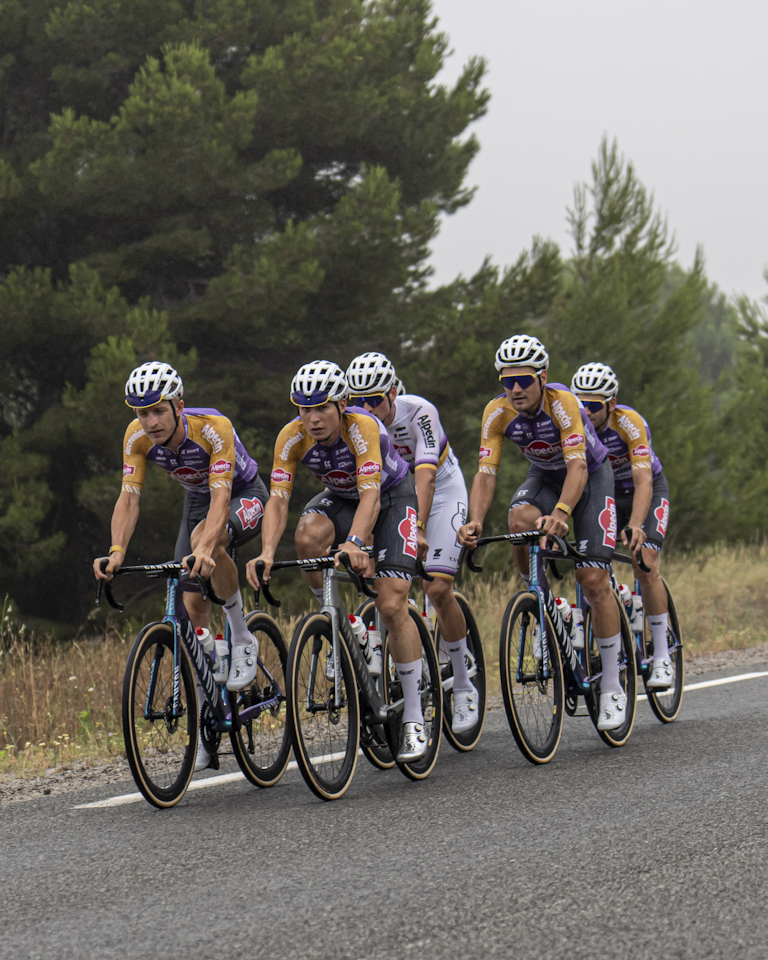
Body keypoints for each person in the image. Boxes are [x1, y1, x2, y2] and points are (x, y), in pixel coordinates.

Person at [246, 360, 429, 762]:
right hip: (341, 500)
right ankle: (348, 628)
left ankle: (415, 717)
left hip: (391, 499)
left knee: (392, 601)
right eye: (304, 409)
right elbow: (278, 499)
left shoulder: (363, 428)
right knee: (307, 535)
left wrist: (354, 542)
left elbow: (372, 497)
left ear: (343, 404)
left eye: (322, 408)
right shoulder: (291, 437)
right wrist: (267, 553)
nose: (312, 419)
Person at [92, 361, 269, 769]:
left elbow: (222, 496)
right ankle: (210, 716)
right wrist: (117, 550)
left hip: (242, 494)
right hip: (197, 503)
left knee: (206, 541)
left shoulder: (211, 428)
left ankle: (241, 635)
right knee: (189, 615)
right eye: (142, 412)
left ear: (178, 406)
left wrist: (207, 546)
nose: (150, 421)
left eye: (158, 410)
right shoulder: (136, 437)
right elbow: (129, 497)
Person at [457, 335, 627, 731]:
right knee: (518, 522)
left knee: (593, 579)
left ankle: (614, 685)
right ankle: (542, 600)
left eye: (523, 380)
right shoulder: (496, 412)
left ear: (543, 377)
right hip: (544, 477)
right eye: (506, 381)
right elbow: (486, 472)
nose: (515, 389)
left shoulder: (563, 403)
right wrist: (475, 519)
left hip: (588, 477)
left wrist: (563, 512)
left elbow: (579, 468)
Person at [345, 352, 478, 733]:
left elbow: (427, 477)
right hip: (392, 498)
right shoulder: (356, 427)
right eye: (359, 402)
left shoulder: (418, 412)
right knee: (381, 584)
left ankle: (464, 678)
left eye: (374, 400)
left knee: (436, 586)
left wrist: (416, 527)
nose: (367, 408)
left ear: (392, 392)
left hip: (439, 495)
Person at [571, 362, 672, 689]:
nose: (585, 410)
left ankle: (661, 657)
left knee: (645, 562)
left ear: (611, 404)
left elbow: (644, 480)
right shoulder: (572, 425)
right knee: (593, 567)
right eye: (580, 403)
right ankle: (623, 601)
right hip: (607, 495)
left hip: (645, 492)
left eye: (594, 405)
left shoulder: (629, 423)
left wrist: (636, 524)